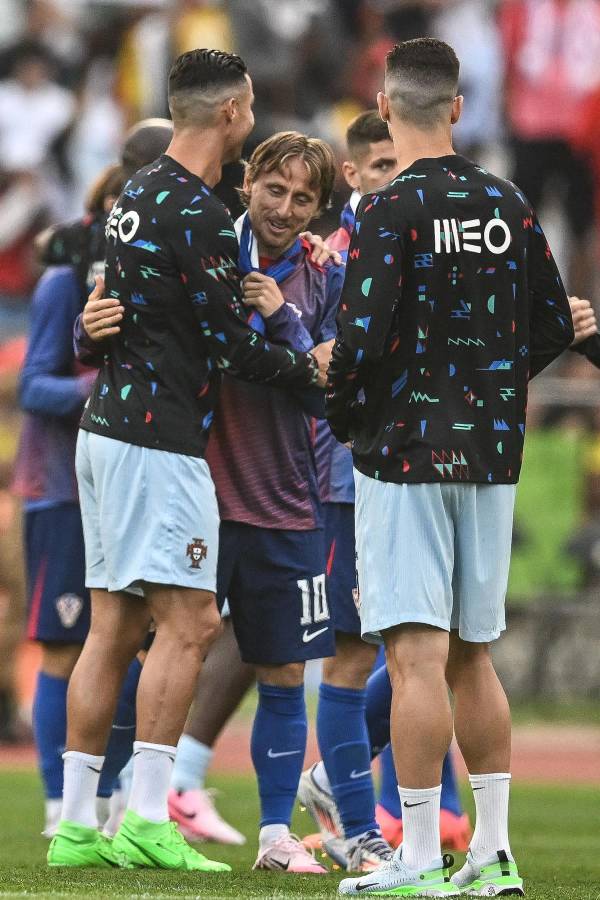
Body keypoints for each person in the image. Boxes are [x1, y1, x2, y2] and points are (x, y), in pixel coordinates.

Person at [48, 49, 330, 873]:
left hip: (103, 431)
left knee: (110, 627)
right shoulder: (201, 214)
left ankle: (72, 824)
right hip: (158, 440)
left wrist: (84, 334)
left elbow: (115, 315)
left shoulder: (134, 193)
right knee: (192, 623)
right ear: (235, 113)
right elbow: (227, 346)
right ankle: (146, 814)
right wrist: (314, 379)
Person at [326, 38, 574, 897]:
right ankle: (495, 854)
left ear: (386, 107)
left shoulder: (390, 209)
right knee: (475, 655)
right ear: (460, 108)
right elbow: (556, 324)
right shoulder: (507, 202)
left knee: (415, 657)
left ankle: (422, 856)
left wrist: (346, 415)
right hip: (492, 452)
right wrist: (494, 387)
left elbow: (356, 344)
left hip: (403, 452)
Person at [300, 109, 471, 865]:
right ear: (354, 173)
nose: (389, 183)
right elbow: (315, 356)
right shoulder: (335, 252)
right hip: (347, 472)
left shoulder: (416, 240)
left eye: (397, 170)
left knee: (437, 640)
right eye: (376, 170)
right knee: (351, 651)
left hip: (416, 461)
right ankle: (356, 816)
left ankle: (336, 779)